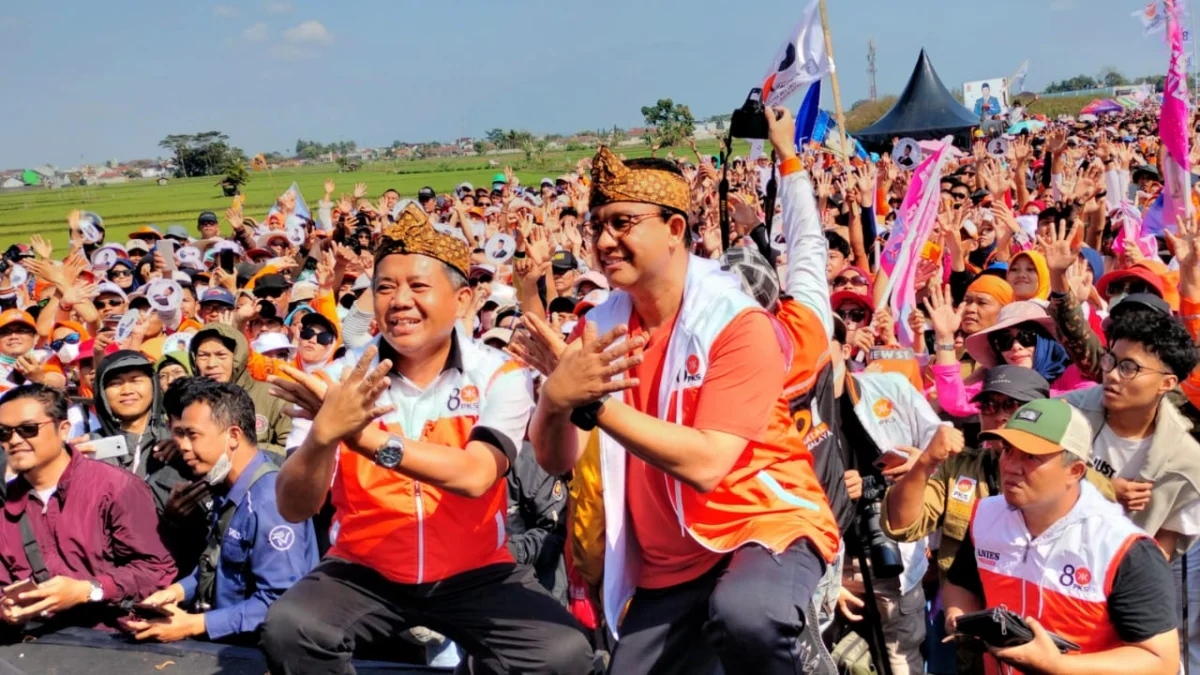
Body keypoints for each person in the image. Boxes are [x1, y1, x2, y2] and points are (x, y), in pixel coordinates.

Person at [524, 108, 840, 675]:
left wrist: (592, 404)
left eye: (622, 222)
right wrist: (555, 399)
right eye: (596, 225)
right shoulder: (597, 328)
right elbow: (555, 458)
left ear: (675, 230)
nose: (603, 240)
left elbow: (707, 463)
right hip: (668, 561)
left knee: (749, 615)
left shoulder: (736, 322)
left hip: (760, 528)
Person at [260, 203, 593, 675]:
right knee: (291, 629)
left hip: (476, 569)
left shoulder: (499, 372)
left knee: (564, 653)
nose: (399, 301)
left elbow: (477, 475)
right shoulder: (335, 377)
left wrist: (362, 437)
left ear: (462, 301)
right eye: (385, 288)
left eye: (418, 286)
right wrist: (322, 438)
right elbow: (295, 507)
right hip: (364, 568)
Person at [942, 398, 1180, 674]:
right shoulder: (985, 516)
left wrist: (1058, 666)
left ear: (1075, 471)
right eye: (1008, 450)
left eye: (1031, 456)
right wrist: (958, 613)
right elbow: (960, 583)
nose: (1010, 466)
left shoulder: (1123, 548)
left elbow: (1161, 660)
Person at [126, 378, 317, 645]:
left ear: (234, 436)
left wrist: (193, 625)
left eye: (193, 435)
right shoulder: (225, 485)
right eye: (179, 433)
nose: (181, 445)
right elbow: (220, 565)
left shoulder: (269, 501)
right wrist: (177, 592)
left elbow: (281, 601)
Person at [0, 384, 175, 635]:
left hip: (111, 641)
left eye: (28, 429)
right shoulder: (4, 501)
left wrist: (89, 590)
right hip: (35, 646)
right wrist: (6, 608)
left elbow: (157, 571)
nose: (15, 440)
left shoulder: (117, 487)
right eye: (4, 432)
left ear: (63, 430)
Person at [1058, 308, 1200, 559]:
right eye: (1110, 360)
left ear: (1166, 383)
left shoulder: (1187, 462)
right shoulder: (1064, 414)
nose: (1111, 375)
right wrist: (1103, 489)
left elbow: (1158, 555)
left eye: (1128, 368)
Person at [188, 324, 291, 458]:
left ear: (238, 358)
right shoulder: (189, 401)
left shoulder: (272, 396)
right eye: (203, 356)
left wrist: (240, 447)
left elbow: (293, 452)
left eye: (221, 355)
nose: (211, 364)